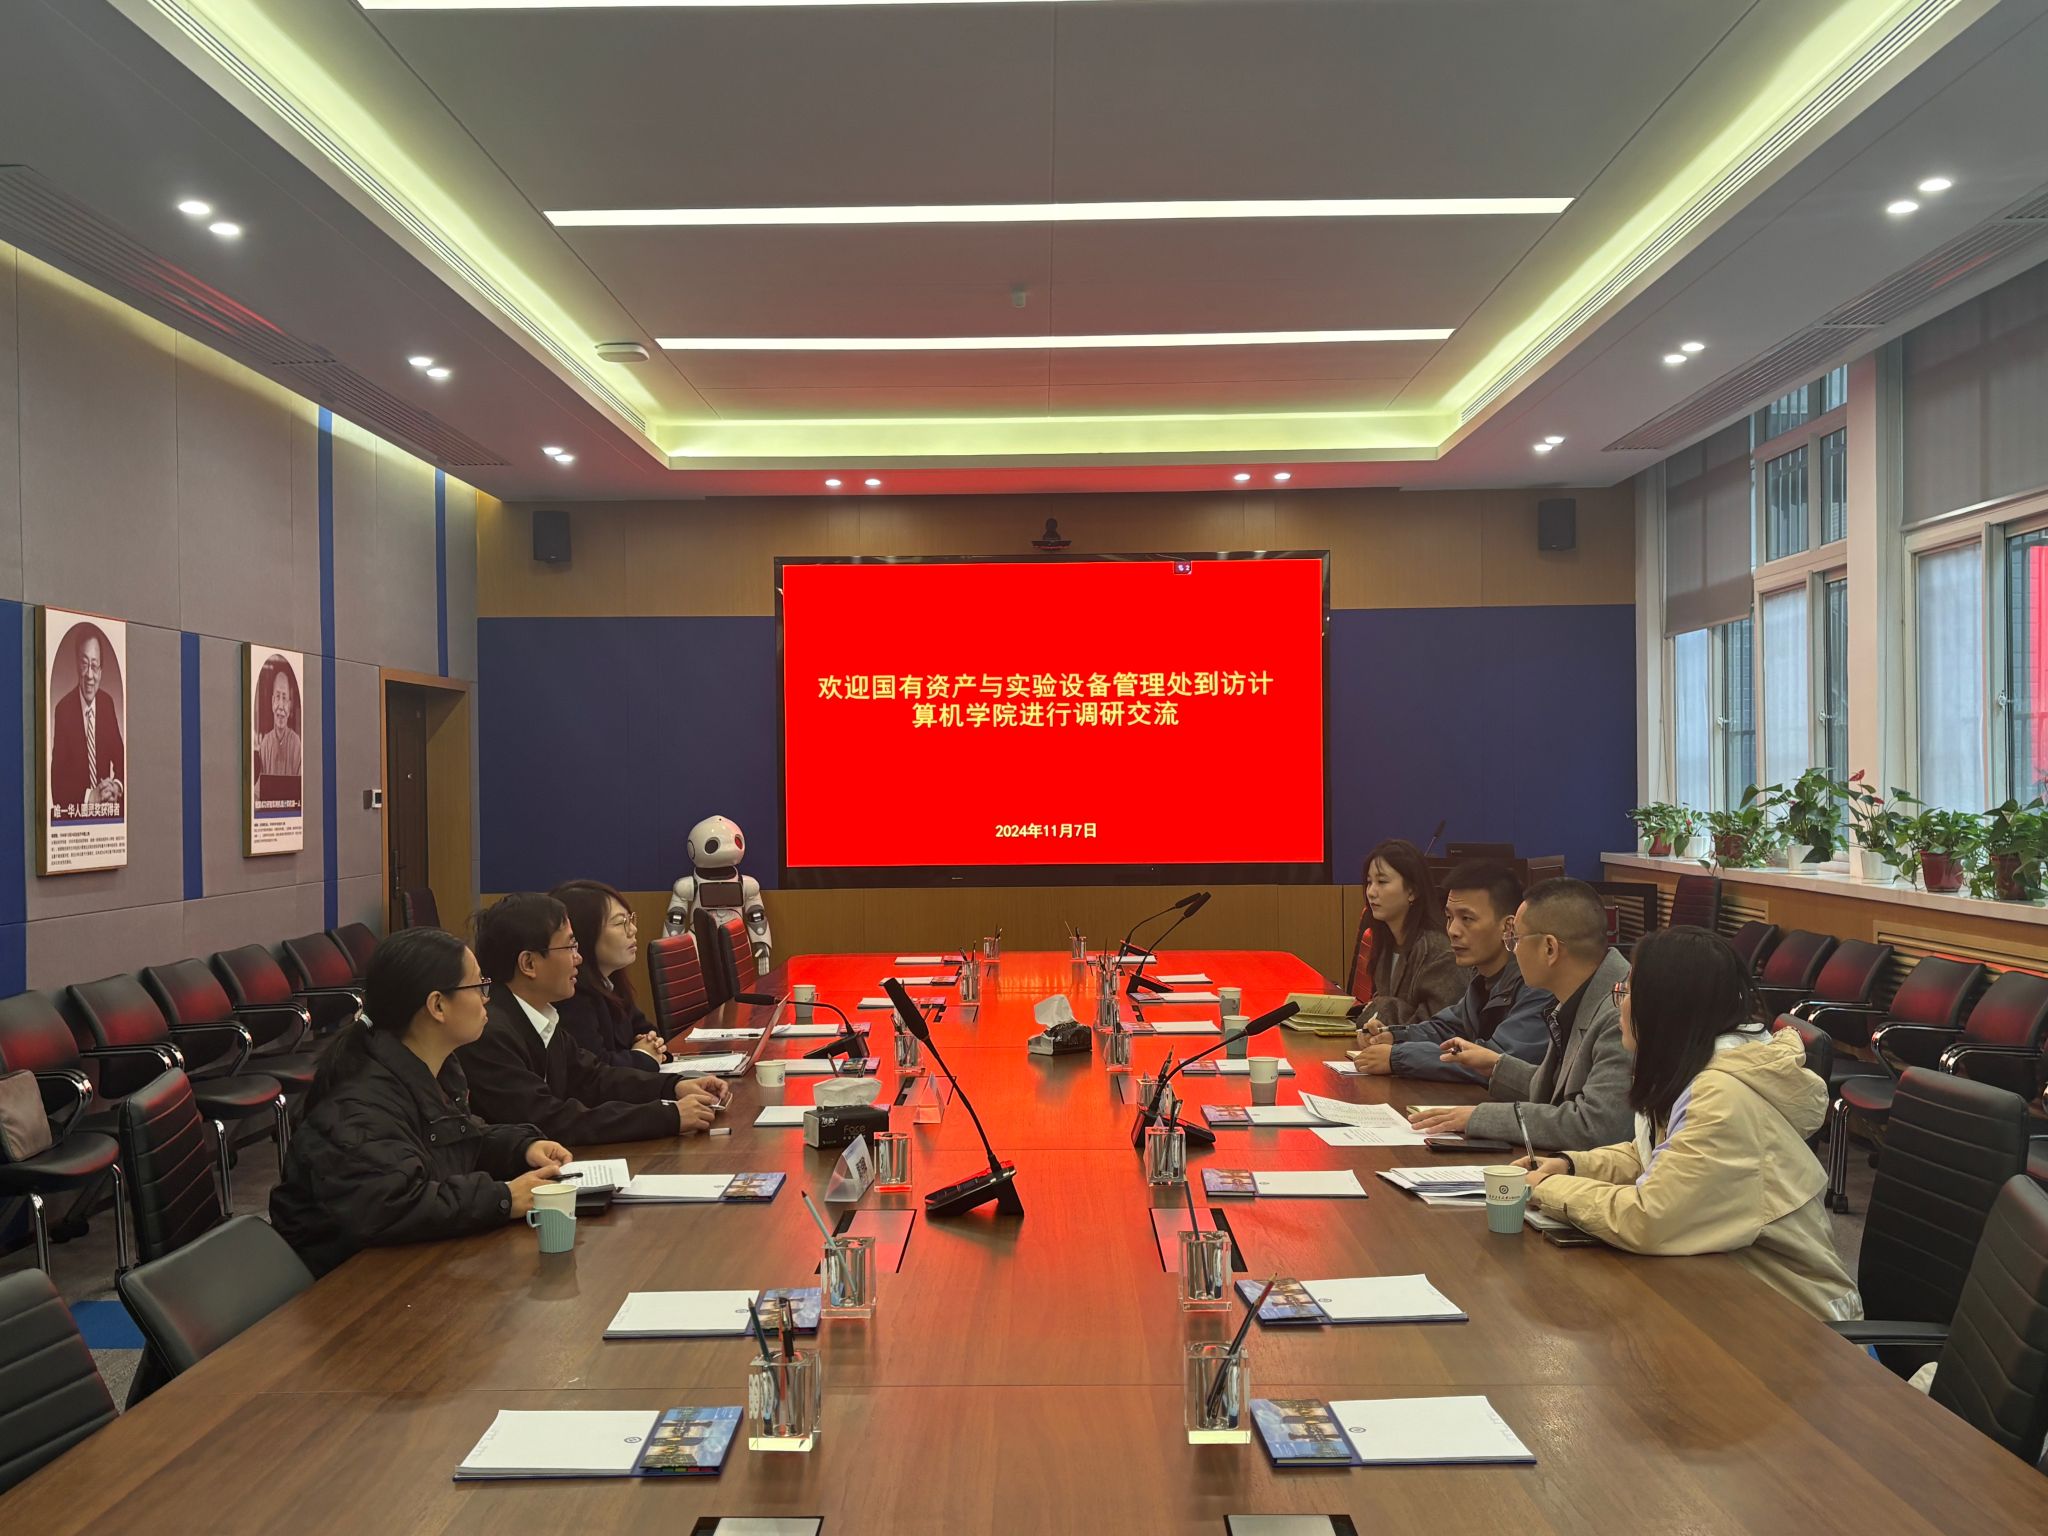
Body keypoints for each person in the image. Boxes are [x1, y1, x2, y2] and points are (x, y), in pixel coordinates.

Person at [1523, 926, 1863, 1323]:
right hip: (1731, 1294)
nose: (1621, 1006)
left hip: (1797, 1324)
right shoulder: (1699, 1074)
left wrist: (1545, 1188)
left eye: (1628, 992)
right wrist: (1570, 1165)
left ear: (1665, 1008)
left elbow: (1648, 1219)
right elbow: (1654, 1156)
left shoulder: (1719, 1097)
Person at [268, 928, 573, 1277]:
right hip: (349, 1283)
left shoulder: (431, 1068)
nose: (486, 999)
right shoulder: (359, 1106)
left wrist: (522, 1148)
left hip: (402, 1262)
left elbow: (455, 1138)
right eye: (478, 986)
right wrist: (503, 1197)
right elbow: (394, 1205)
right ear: (437, 1005)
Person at [458, 892, 727, 1143]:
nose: (578, 958)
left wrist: (674, 1087)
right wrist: (667, 1116)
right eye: (569, 947)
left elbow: (594, 1079)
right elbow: (548, 1120)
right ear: (529, 963)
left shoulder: (539, 1015)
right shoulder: (488, 1032)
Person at [1409, 878, 1632, 1151]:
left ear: (1549, 949)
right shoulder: (1579, 993)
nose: (1512, 949)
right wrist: (1497, 1066)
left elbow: (1595, 1126)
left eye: (1515, 939)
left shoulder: (1621, 1011)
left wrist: (1480, 1118)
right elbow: (1557, 1091)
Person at [1348, 861, 1550, 1083]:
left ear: (1508, 927)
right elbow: (1445, 1028)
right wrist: (1393, 1036)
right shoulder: (1481, 978)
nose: (1453, 931)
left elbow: (1496, 1062)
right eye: (1449, 918)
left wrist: (1398, 1057)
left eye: (1467, 919)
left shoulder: (1537, 984)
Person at [553, 879, 668, 1071]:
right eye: (621, 923)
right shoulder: (572, 995)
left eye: (631, 919)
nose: (633, 930)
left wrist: (651, 1046)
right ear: (584, 934)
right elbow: (594, 1069)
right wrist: (643, 1056)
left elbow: (647, 1030)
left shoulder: (610, 980)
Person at [1349, 840, 1460, 1030]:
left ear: (1412, 891)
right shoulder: (1386, 941)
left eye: (1382, 882)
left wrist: (1381, 1008)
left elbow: (1437, 1028)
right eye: (1369, 882)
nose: (1371, 892)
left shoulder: (1439, 952)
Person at [49, 626, 124, 818]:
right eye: (84, 664)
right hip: (77, 817)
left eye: (94, 666)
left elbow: (122, 758)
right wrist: (90, 797)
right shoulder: (63, 710)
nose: (90, 675)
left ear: (101, 671)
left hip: (107, 814)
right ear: (77, 665)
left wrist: (116, 786)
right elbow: (57, 784)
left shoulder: (107, 704)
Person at [255, 659, 302, 778]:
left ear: (289, 706)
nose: (281, 706)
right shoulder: (265, 744)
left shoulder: (296, 744)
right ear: (272, 702)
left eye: (284, 698)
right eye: (277, 696)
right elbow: (259, 786)